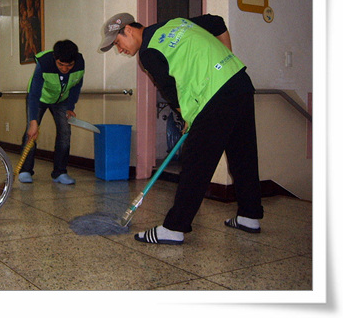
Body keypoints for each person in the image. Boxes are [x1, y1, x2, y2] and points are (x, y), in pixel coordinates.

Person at [99, 13, 263, 244]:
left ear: (128, 29)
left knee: (196, 162)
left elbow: (170, 90)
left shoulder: (148, 52)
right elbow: (216, 22)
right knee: (243, 154)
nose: (120, 49)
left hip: (213, 96)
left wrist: (186, 116)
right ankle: (249, 215)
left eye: (118, 42)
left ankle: (174, 228)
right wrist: (224, 62)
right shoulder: (176, 23)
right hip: (238, 82)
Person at [19, 39, 85, 185]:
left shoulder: (80, 63)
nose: (65, 69)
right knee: (31, 133)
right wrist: (33, 122)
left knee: (65, 133)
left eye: (69, 65)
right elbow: (34, 94)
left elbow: (76, 85)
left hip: (62, 100)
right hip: (40, 98)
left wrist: (70, 107)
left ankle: (60, 172)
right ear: (55, 58)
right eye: (61, 64)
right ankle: (25, 170)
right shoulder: (44, 63)